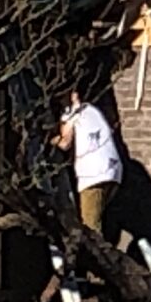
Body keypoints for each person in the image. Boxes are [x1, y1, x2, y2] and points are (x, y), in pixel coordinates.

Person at [58, 88, 121, 236]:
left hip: (93, 174)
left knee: (90, 228)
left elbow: (64, 143)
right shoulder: (91, 110)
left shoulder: (72, 113)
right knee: (97, 216)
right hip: (113, 171)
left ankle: (97, 258)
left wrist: (51, 140)